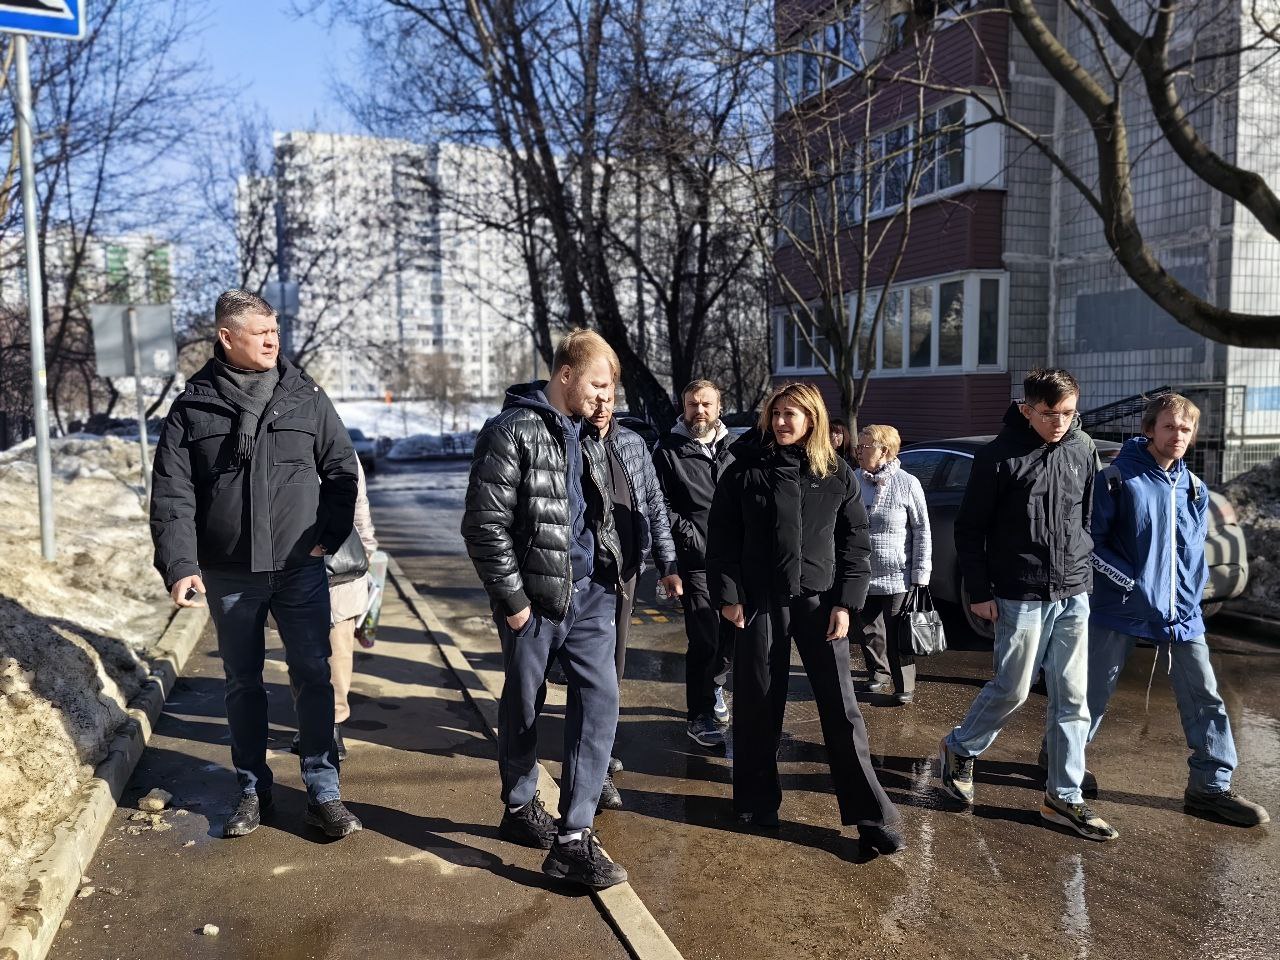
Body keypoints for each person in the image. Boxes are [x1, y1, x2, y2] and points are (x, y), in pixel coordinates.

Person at [151, 289, 360, 839]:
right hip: (230, 571)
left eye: (275, 331)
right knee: (242, 682)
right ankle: (252, 789)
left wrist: (329, 535)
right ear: (227, 337)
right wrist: (180, 563)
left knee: (313, 674)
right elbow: (173, 494)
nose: (273, 341)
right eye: (261, 332)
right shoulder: (193, 407)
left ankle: (324, 791)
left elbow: (342, 468)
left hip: (298, 565)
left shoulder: (306, 396)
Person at [460, 329, 628, 890]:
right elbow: (483, 525)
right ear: (565, 374)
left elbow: (599, 510)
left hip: (590, 594)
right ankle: (518, 804)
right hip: (534, 600)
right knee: (524, 704)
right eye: (597, 385)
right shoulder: (511, 430)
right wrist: (513, 604)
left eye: (609, 389)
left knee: (600, 701)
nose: (604, 397)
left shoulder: (589, 433)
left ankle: (574, 836)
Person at [707, 382, 905, 855]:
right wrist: (729, 597)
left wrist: (846, 604)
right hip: (760, 604)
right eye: (776, 413)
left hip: (821, 604)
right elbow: (722, 539)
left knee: (842, 708)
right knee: (758, 703)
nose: (781, 421)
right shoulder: (744, 469)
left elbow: (855, 542)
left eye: (791, 414)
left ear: (812, 418)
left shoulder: (835, 473)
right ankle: (755, 801)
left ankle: (871, 815)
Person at [938, 368, 1119, 842]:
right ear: (1026, 409)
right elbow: (970, 529)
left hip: (1073, 591)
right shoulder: (998, 458)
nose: (1060, 422)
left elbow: (1086, 516)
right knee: (1014, 688)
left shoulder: (1083, 448)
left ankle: (1063, 796)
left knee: (1072, 698)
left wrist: (1083, 569)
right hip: (1019, 593)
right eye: (1049, 413)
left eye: (1068, 413)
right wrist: (981, 591)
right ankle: (961, 747)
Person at [1087, 394, 1269, 826]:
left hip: (1182, 614)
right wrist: (1132, 584)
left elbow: (1192, 554)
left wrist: (1189, 597)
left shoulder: (1195, 488)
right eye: (1169, 426)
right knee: (1091, 694)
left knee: (1206, 698)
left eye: (1186, 428)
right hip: (1120, 608)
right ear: (1149, 429)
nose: (1178, 435)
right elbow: (1091, 542)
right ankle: (1061, 760)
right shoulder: (1116, 479)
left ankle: (1210, 787)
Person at [587, 395, 682, 810]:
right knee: (593, 676)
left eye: (608, 397)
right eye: (594, 396)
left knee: (614, 670)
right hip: (586, 577)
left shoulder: (632, 443)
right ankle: (595, 770)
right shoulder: (573, 441)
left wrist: (668, 563)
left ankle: (601, 748)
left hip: (626, 573)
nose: (601, 406)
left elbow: (654, 505)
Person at [652, 379, 737, 749]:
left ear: (719, 407)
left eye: (706, 404)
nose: (699, 411)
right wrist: (687, 537)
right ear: (683, 408)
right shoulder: (668, 450)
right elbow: (659, 505)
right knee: (705, 638)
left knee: (732, 636)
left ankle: (715, 684)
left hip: (735, 561)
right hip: (697, 561)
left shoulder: (735, 448)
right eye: (692, 405)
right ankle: (699, 715)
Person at [852, 424, 931, 704]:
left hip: (899, 574)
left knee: (898, 631)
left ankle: (904, 684)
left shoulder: (908, 483)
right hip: (862, 571)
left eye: (864, 447)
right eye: (858, 446)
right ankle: (878, 673)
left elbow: (922, 530)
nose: (858, 451)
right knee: (867, 628)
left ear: (884, 450)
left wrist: (920, 573)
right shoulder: (854, 480)